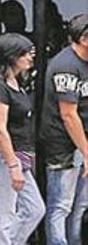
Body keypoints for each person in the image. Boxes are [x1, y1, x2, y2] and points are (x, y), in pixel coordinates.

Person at [0, 33, 43, 245]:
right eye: (24, 53)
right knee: (2, 214)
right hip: (4, 159)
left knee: (34, 208)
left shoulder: (15, 81)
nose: (30, 58)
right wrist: (13, 165)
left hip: (19, 156)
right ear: (10, 56)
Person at [39, 13, 88, 245]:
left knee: (79, 206)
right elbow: (68, 115)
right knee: (61, 206)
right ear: (84, 39)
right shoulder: (66, 66)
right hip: (64, 146)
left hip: (82, 145)